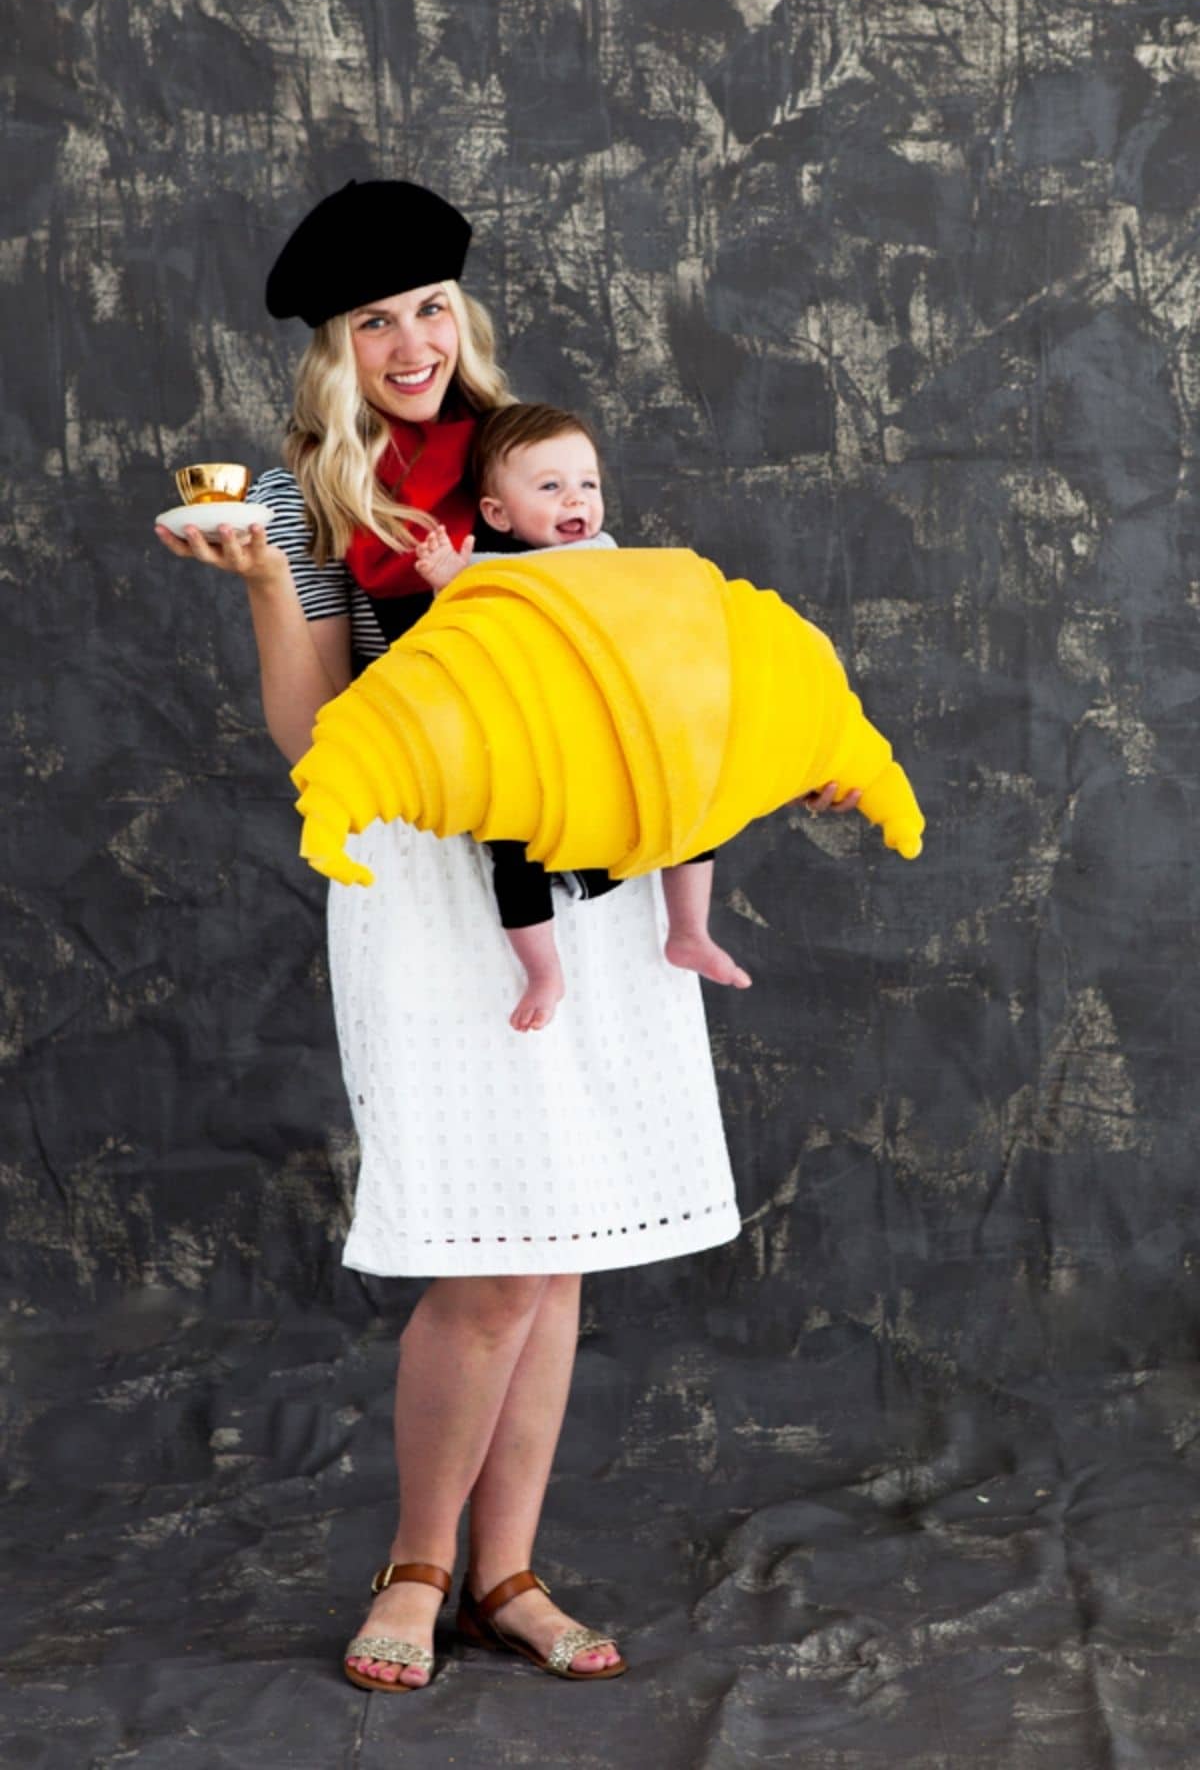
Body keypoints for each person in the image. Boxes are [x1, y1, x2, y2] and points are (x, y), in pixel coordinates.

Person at [154, 177, 861, 1695]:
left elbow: (634, 649)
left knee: (560, 1250)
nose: (409, 344)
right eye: (372, 322)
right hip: (426, 887)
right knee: (489, 1260)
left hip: (585, 872)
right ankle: (417, 1567)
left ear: (459, 314)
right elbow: (314, 733)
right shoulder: (300, 494)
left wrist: (775, 740)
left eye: (425, 309)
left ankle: (508, 1575)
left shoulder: (526, 446)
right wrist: (277, 581)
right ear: (330, 347)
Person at [413, 399, 753, 1034]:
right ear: (497, 513)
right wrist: (445, 583)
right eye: (550, 487)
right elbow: (454, 645)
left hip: (612, 734)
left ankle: (688, 929)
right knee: (513, 853)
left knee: (698, 801)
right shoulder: (488, 574)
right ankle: (544, 970)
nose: (576, 500)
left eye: (587, 484)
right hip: (539, 747)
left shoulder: (610, 554)